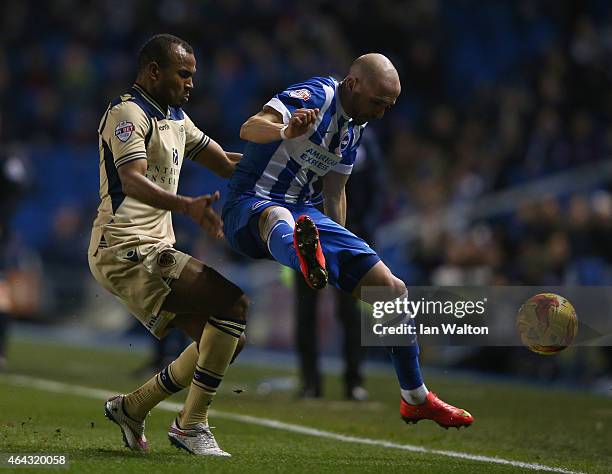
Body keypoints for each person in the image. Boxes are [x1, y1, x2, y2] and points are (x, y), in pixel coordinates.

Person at [223, 53, 473, 428]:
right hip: (249, 206)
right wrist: (286, 130)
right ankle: (304, 256)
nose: (382, 113)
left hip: (307, 212)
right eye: (377, 102)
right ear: (353, 84)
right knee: (279, 217)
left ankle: (416, 397)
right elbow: (250, 127)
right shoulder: (317, 95)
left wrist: (339, 250)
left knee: (392, 289)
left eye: (389, 107)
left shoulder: (355, 127)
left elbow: (336, 191)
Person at [88, 34, 248, 457]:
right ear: (154, 71)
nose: (191, 83)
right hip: (125, 245)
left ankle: (132, 407)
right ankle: (190, 426)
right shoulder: (127, 112)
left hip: (149, 249)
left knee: (226, 340)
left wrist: (286, 163)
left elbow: (226, 163)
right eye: (184, 74)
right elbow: (132, 179)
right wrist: (186, 205)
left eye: (193, 75)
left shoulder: (177, 118)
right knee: (232, 306)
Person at [294, 128, 386, 401]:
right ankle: (310, 382)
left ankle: (354, 381)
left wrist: (363, 232)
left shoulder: (365, 138)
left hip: (349, 234)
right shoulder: (311, 134)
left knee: (350, 312)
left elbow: (376, 187)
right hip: (308, 231)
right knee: (307, 311)